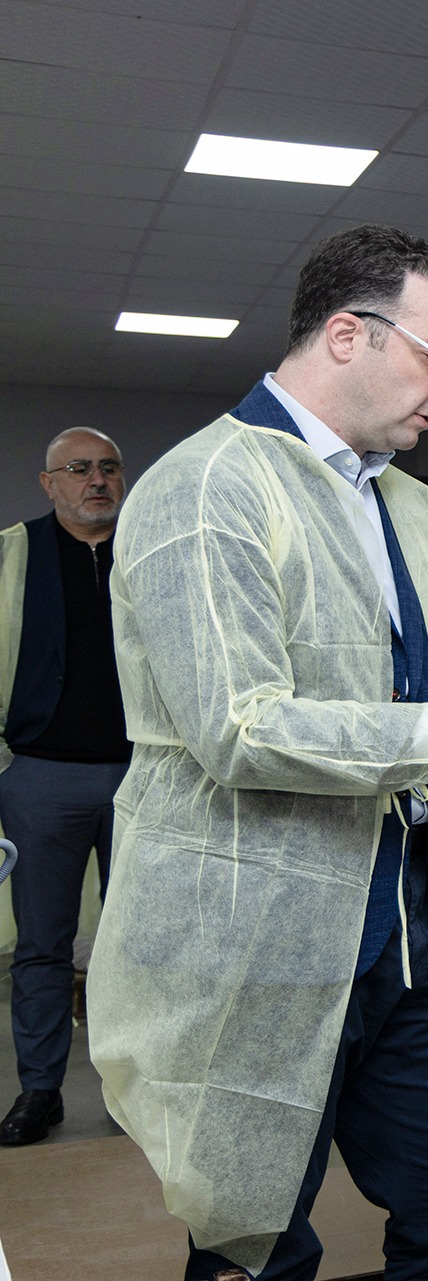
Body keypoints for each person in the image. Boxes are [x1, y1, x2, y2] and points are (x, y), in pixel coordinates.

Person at [87, 223, 428, 1280]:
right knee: (255, 1236)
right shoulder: (209, 487)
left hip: (412, 929)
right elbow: (239, 724)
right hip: (259, 937)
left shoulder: (396, 499)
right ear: (347, 335)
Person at [0, 427, 132, 1146]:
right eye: (78, 468)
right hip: (38, 776)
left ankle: (131, 1091)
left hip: (142, 775)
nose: (96, 480)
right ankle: (40, 1090)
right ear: (49, 482)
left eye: (108, 467)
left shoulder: (149, 549)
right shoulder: (12, 554)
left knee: (137, 942)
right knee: (41, 944)